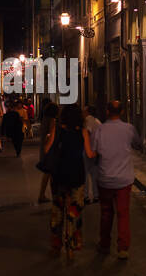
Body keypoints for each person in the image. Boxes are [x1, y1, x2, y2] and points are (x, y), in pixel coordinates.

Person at [89, 100, 142, 258]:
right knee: (123, 213)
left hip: (105, 177)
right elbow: (138, 143)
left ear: (107, 111)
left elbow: (93, 150)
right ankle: (123, 247)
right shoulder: (129, 129)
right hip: (124, 179)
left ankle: (105, 244)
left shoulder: (100, 130)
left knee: (106, 213)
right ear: (122, 112)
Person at [45, 103, 93, 260]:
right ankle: (71, 247)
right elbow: (90, 154)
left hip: (59, 174)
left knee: (58, 211)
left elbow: (47, 150)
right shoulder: (83, 132)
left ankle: (56, 246)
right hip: (77, 174)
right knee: (74, 212)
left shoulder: (57, 130)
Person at [36, 101, 59, 202]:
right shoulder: (52, 120)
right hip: (50, 148)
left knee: (48, 173)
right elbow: (51, 134)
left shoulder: (44, 119)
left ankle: (44, 195)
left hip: (44, 146)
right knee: (50, 173)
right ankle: (47, 196)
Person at [82, 103, 103, 205]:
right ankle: (96, 195)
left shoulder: (87, 120)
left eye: (84, 111)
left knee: (85, 173)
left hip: (88, 150)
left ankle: (85, 196)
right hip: (97, 150)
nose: (83, 113)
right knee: (95, 173)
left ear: (87, 112)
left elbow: (87, 132)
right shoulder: (98, 121)